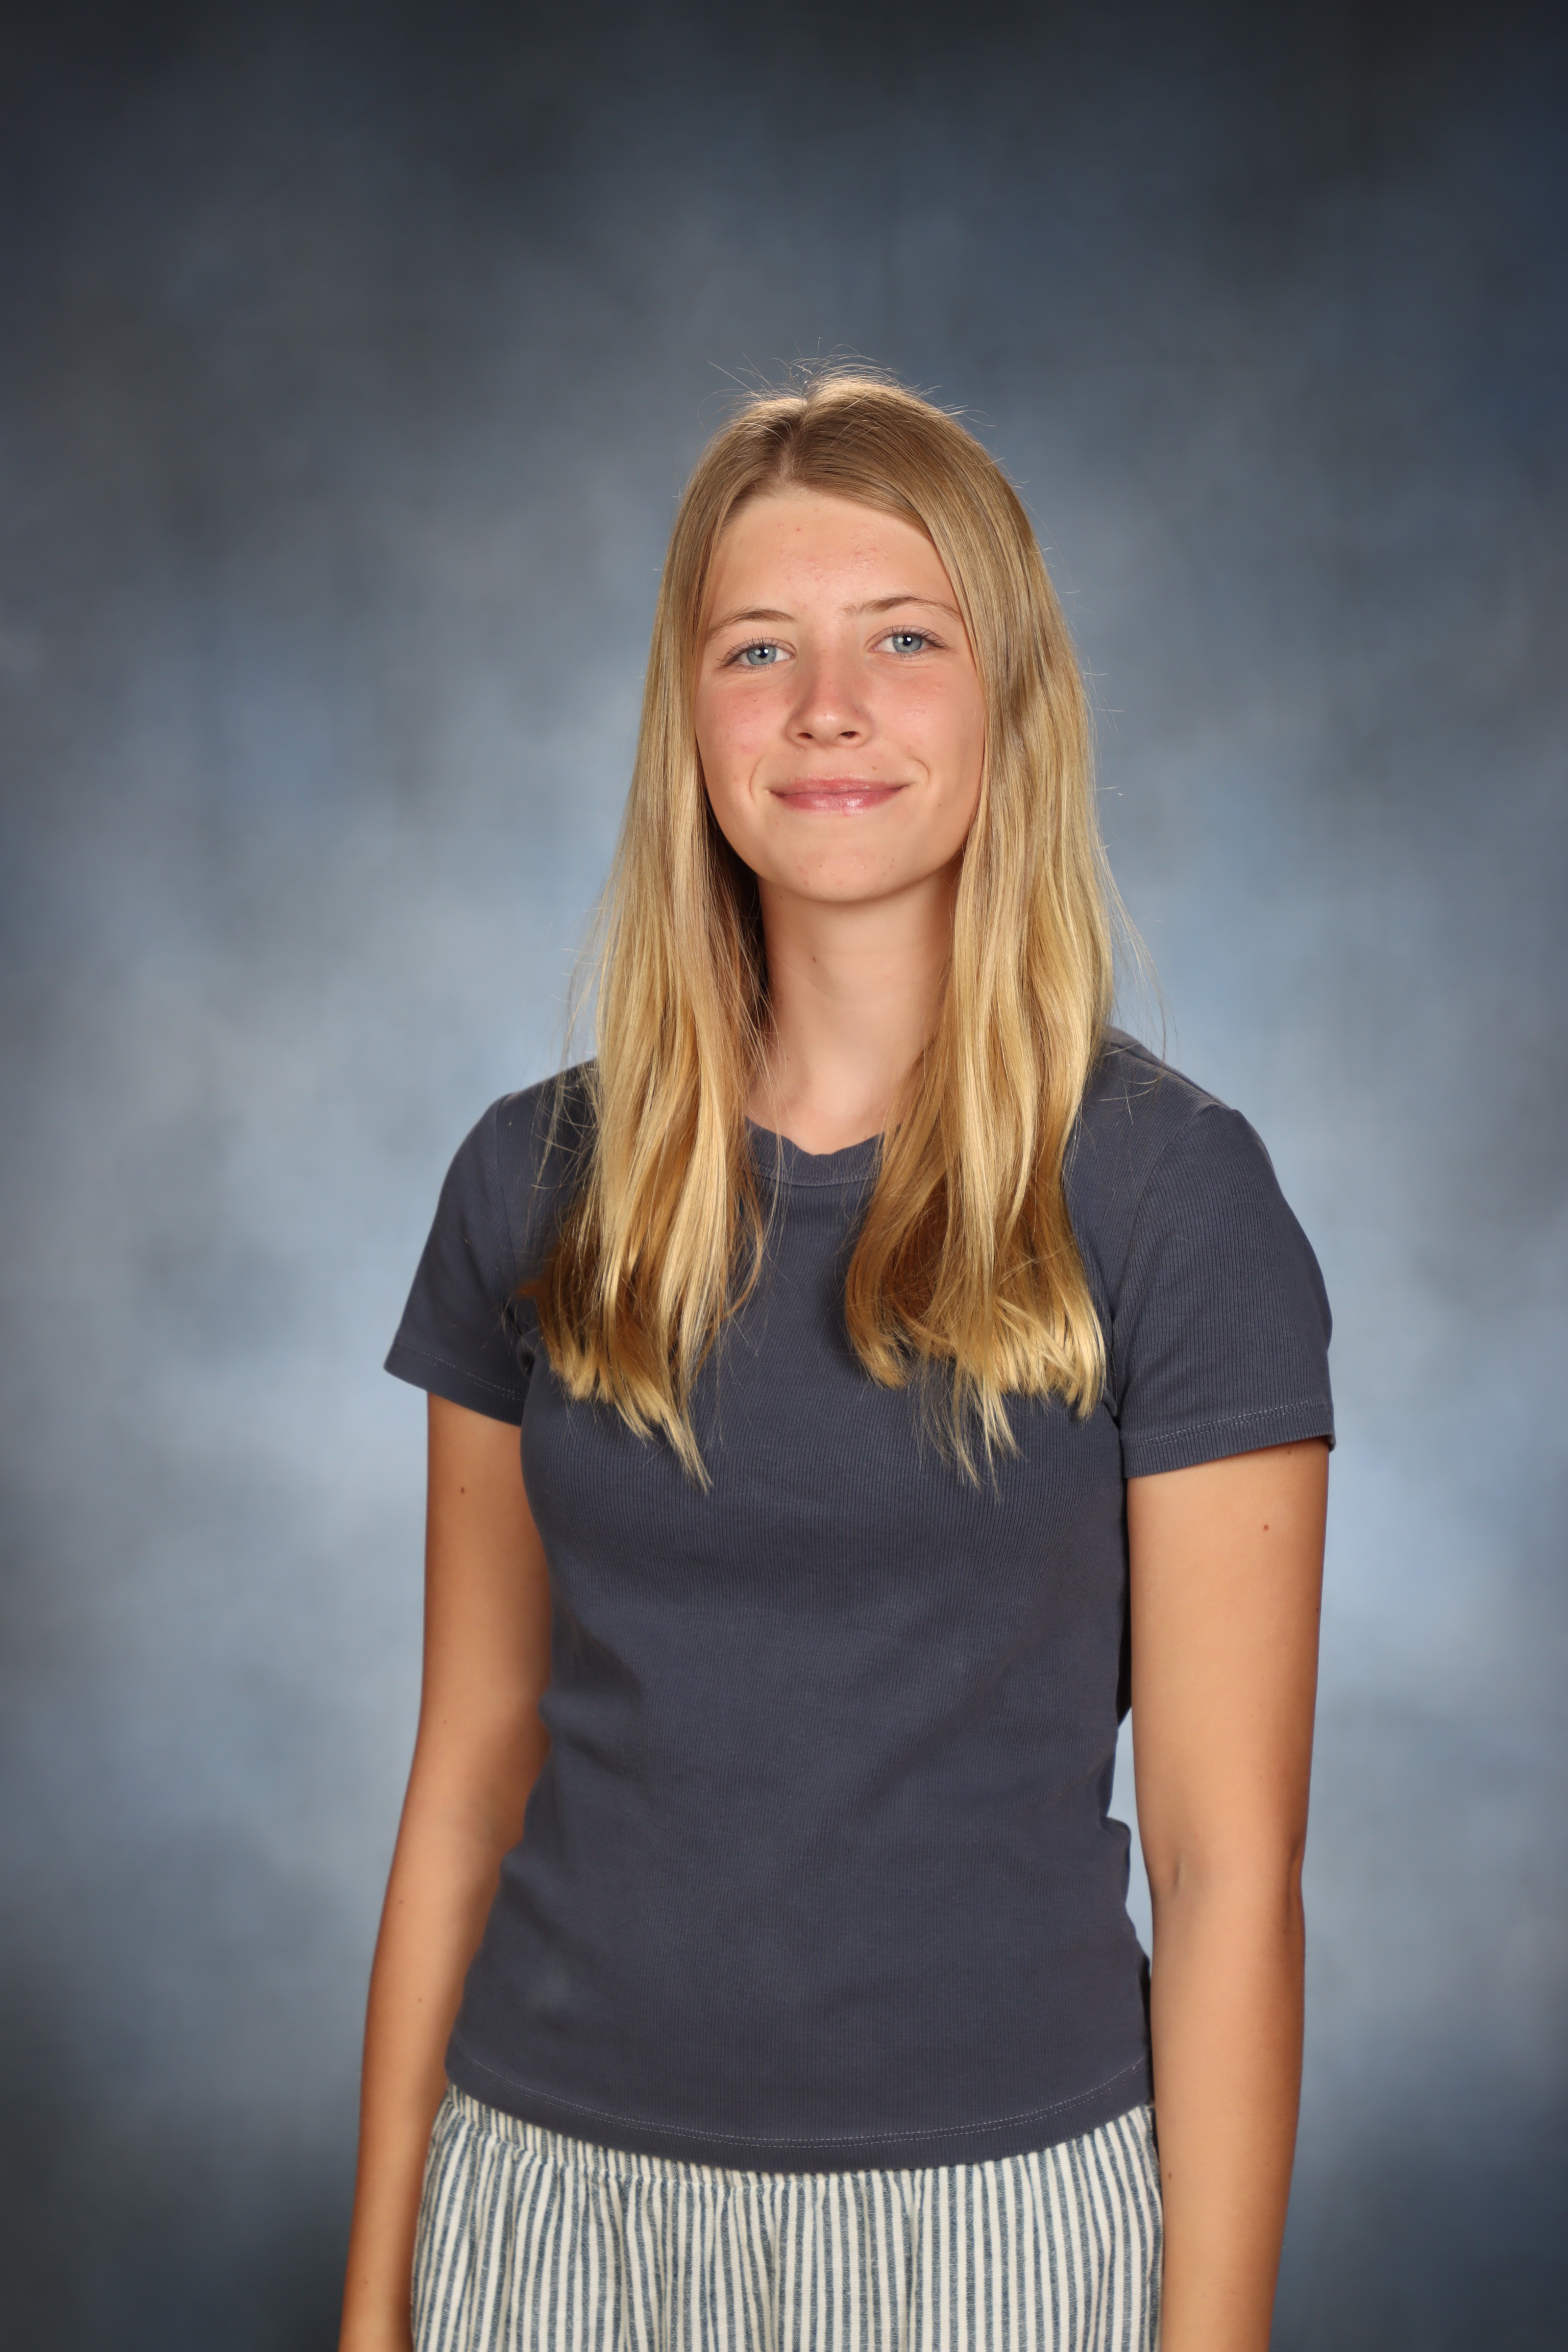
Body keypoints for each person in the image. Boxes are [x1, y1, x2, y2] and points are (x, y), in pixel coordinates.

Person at [339, 371, 1333, 2352]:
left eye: (902, 640)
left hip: (994, 2225)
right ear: (687, 720)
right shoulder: (532, 1182)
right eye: (756, 650)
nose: (825, 708)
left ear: (1010, 702)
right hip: (545, 2207)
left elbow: (1229, 1871)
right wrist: (379, 2300)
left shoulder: (1169, 1195)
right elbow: (463, 1775)